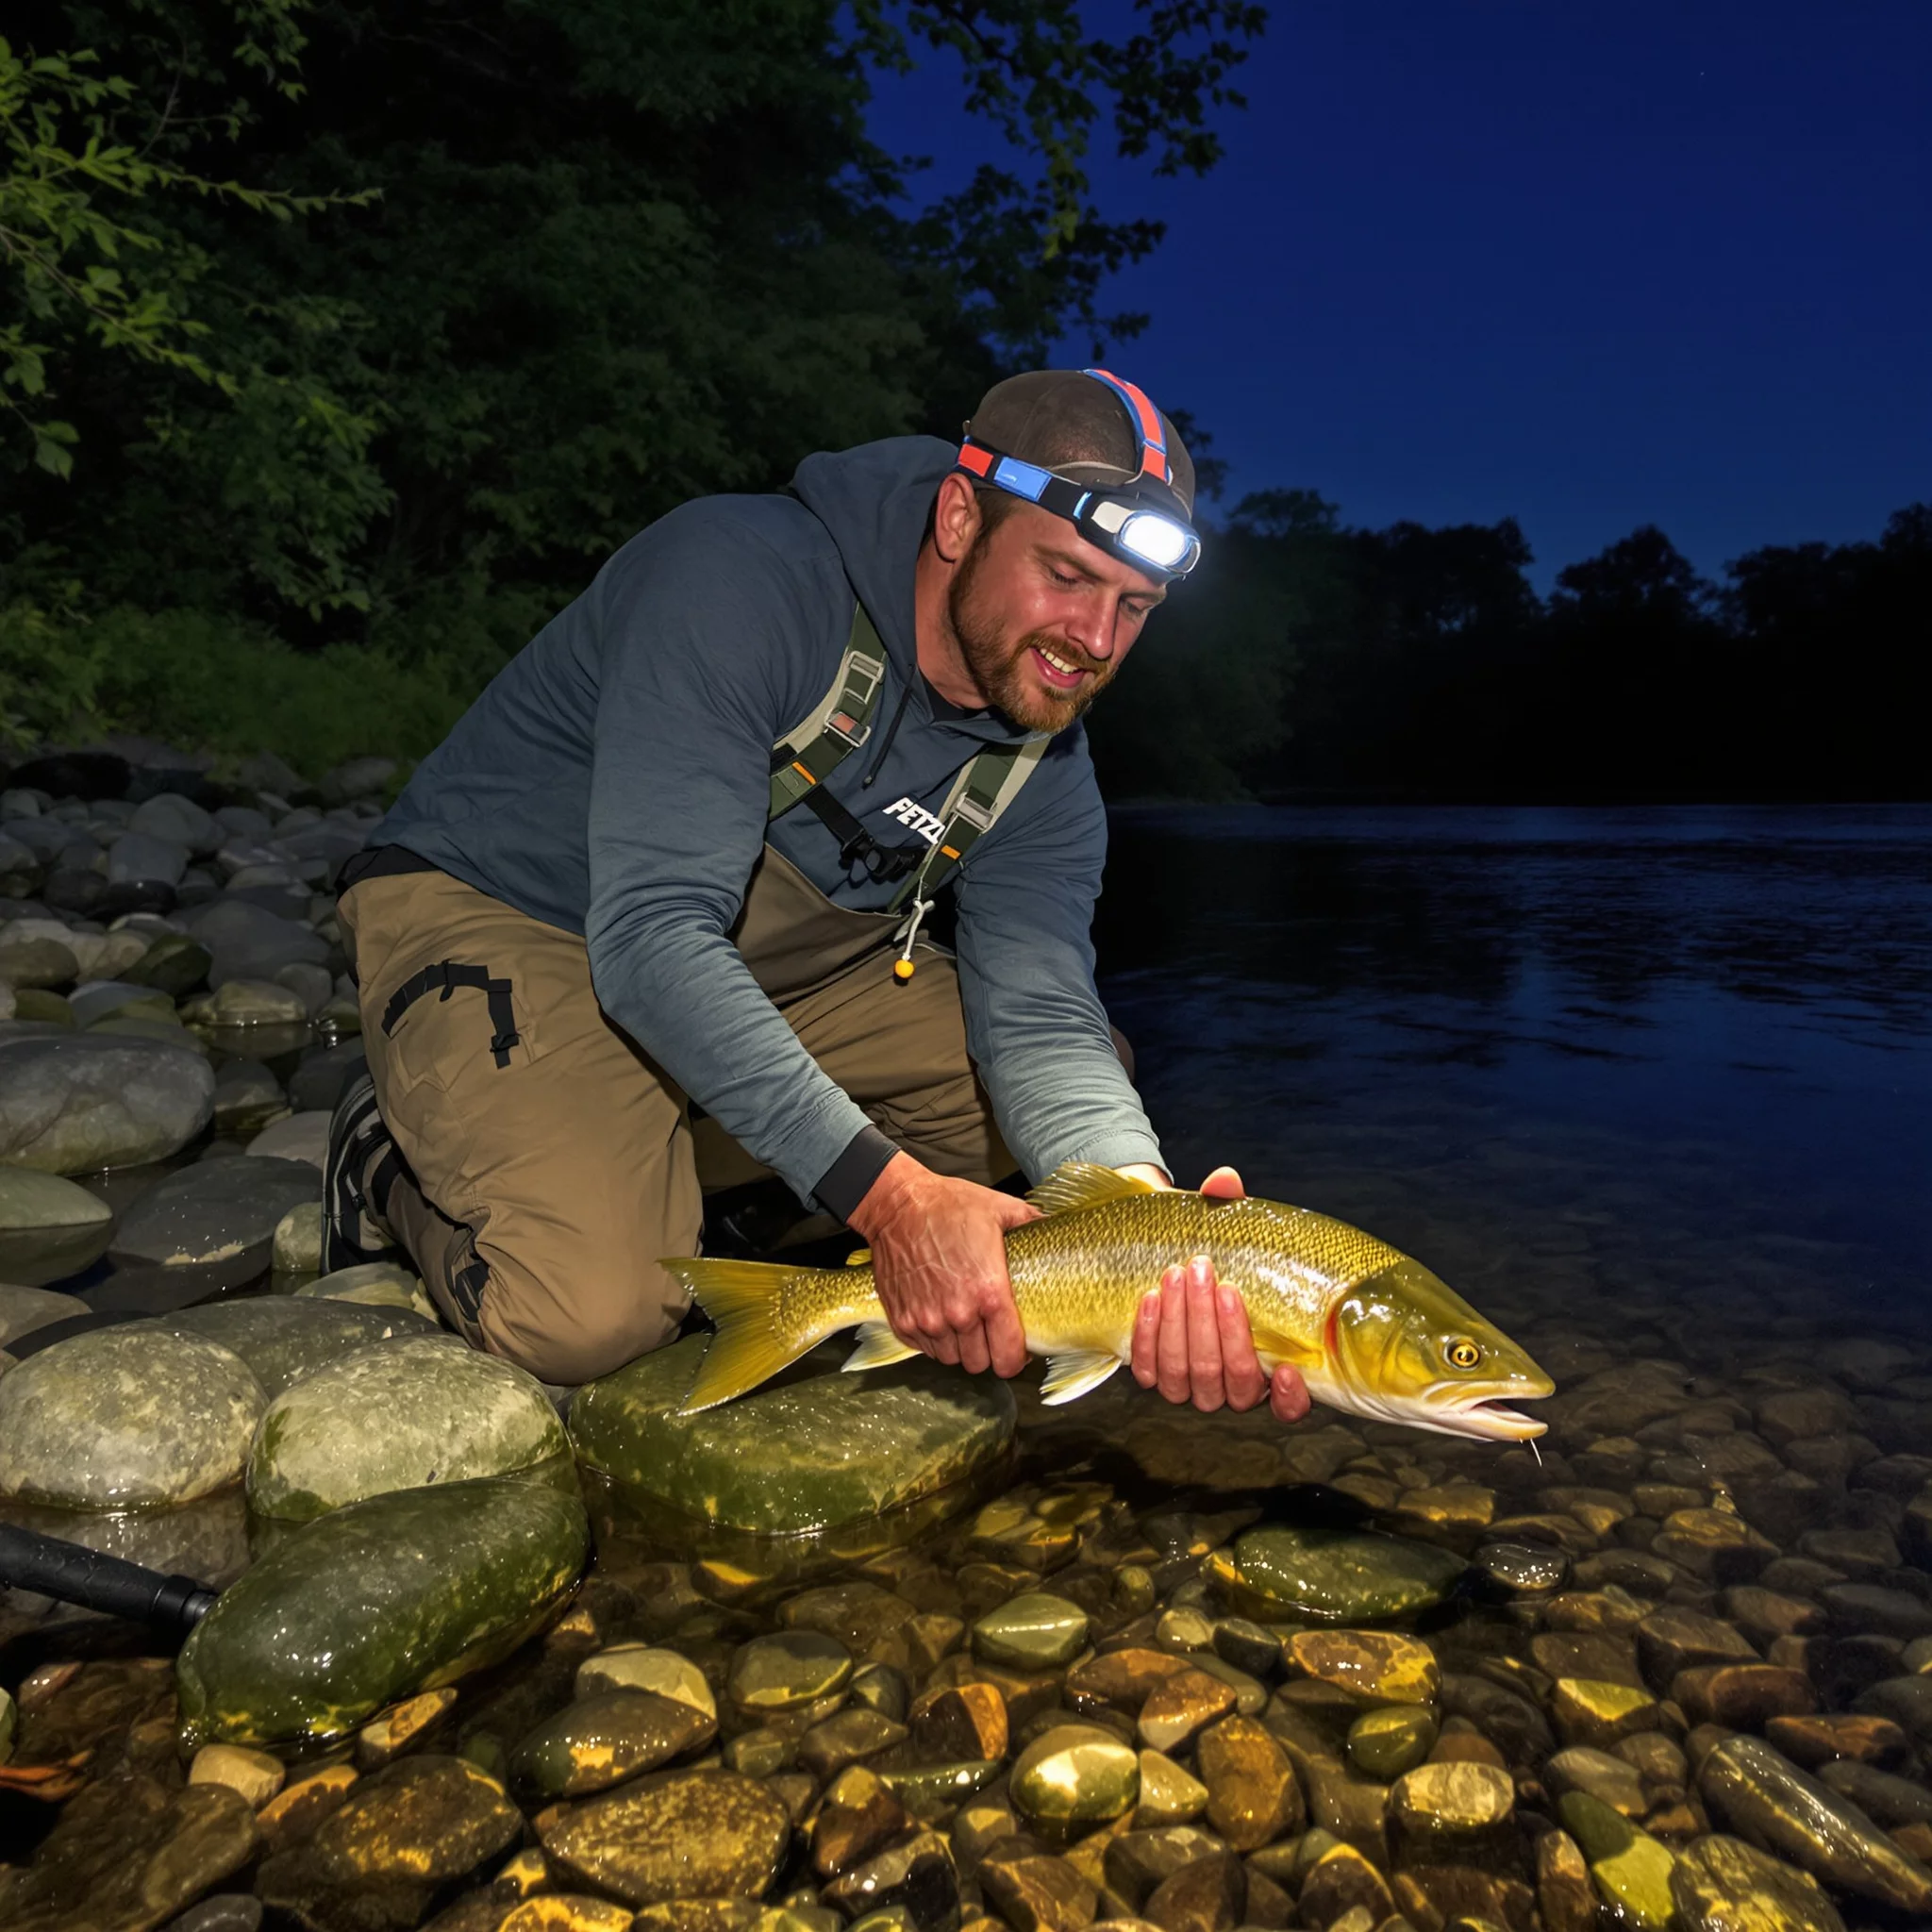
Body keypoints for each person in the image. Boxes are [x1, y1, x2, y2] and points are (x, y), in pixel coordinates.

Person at [326, 366, 1310, 1424]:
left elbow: (1038, 1018)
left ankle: (689, 1169)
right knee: (592, 1317)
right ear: (956, 514)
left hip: (774, 964)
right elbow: (653, 934)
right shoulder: (738, 576)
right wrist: (890, 1200)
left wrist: (1149, 1224)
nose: (1097, 640)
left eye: (1134, 606)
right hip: (519, 912)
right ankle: (385, 1149)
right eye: (1067, 576)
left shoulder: (1045, 767)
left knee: (1060, 1137)